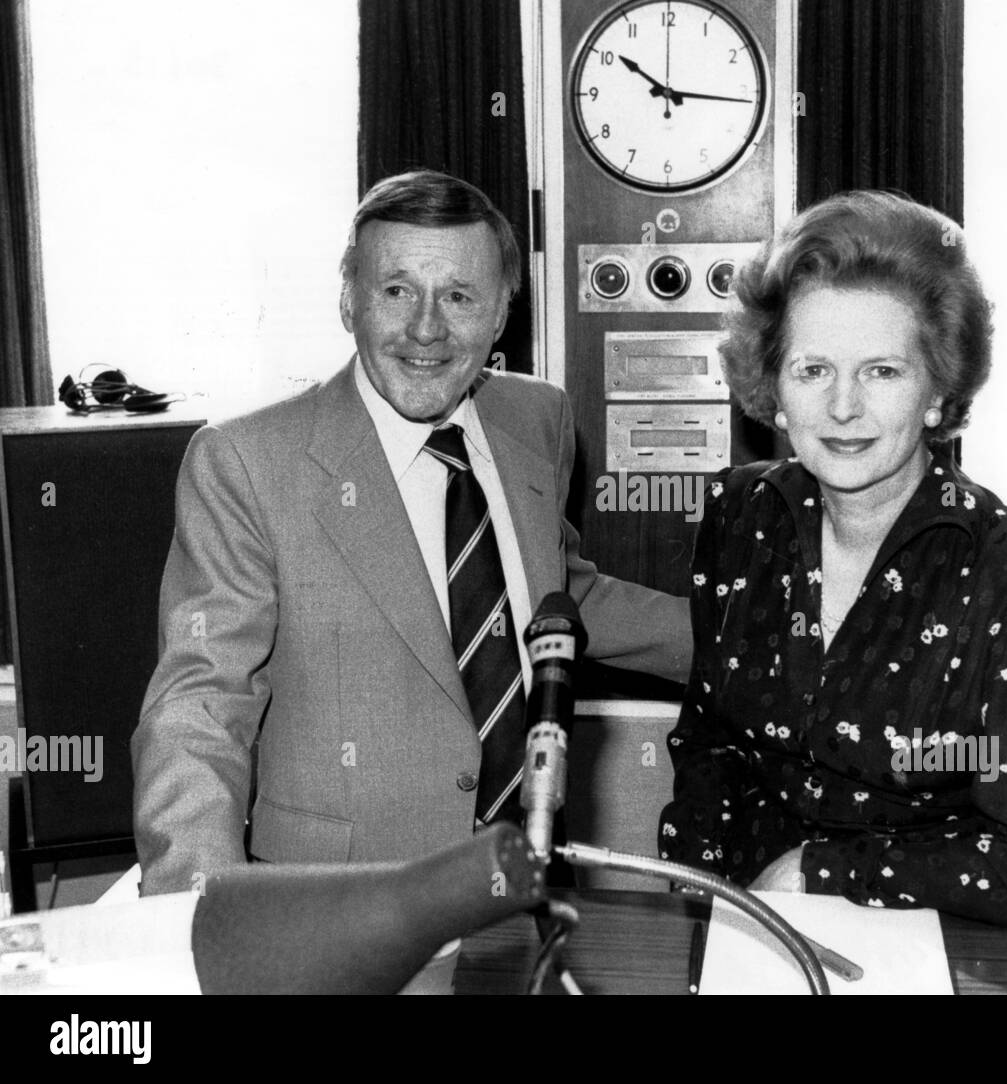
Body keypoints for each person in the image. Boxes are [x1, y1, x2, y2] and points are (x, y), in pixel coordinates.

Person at [133, 170, 690, 898]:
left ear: (500, 316)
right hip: (340, 905)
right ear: (347, 301)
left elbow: (559, 591)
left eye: (460, 297)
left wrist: (771, 645)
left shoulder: (538, 419)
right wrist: (197, 918)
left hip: (523, 878)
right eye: (396, 290)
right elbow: (201, 704)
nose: (426, 328)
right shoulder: (246, 462)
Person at [659, 191, 1007, 927]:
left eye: (882, 372)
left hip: (941, 946)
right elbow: (709, 747)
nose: (842, 408)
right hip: (745, 930)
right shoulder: (738, 517)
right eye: (812, 371)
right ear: (774, 389)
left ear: (937, 389)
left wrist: (817, 874)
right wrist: (705, 901)